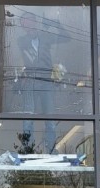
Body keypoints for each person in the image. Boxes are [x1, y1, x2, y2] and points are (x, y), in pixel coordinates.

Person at [14, 11, 70, 154]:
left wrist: (57, 25)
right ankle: (28, 149)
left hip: (46, 81)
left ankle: (50, 149)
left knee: (49, 117)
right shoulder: (22, 40)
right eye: (25, 21)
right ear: (23, 25)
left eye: (30, 20)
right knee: (28, 117)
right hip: (30, 81)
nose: (28, 23)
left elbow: (66, 37)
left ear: (34, 21)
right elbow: (27, 51)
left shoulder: (45, 37)